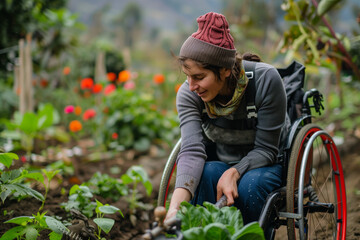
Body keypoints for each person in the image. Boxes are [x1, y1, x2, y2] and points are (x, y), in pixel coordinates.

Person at [165, 12, 287, 225]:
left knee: (252, 184)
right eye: (188, 76)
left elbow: (267, 150)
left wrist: (235, 171)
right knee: (207, 173)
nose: (192, 86)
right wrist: (175, 208)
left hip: (266, 165)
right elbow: (192, 151)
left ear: (224, 70)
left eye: (199, 77)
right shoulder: (189, 94)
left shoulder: (266, 81)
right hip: (222, 161)